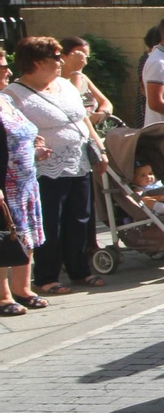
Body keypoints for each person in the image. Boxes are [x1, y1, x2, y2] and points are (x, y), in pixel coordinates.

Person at [3, 37, 108, 294]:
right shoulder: (12, 94)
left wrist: (100, 149)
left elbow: (83, 119)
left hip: (78, 161)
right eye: (56, 58)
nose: (61, 62)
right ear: (38, 63)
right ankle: (46, 275)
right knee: (51, 221)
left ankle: (79, 269)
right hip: (44, 168)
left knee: (80, 218)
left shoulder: (64, 84)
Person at [0, 55, 48, 315]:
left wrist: (35, 148)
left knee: (25, 234)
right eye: (1, 65)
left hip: (25, 181)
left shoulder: (5, 99)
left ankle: (22, 288)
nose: (8, 70)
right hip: (4, 183)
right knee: (5, 236)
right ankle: (2, 296)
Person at [60, 37, 114, 130]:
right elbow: (73, 101)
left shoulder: (83, 78)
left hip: (93, 130)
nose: (82, 59)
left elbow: (105, 102)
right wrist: (76, 71)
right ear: (62, 56)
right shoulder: (57, 81)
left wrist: (102, 113)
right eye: (78, 55)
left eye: (85, 56)